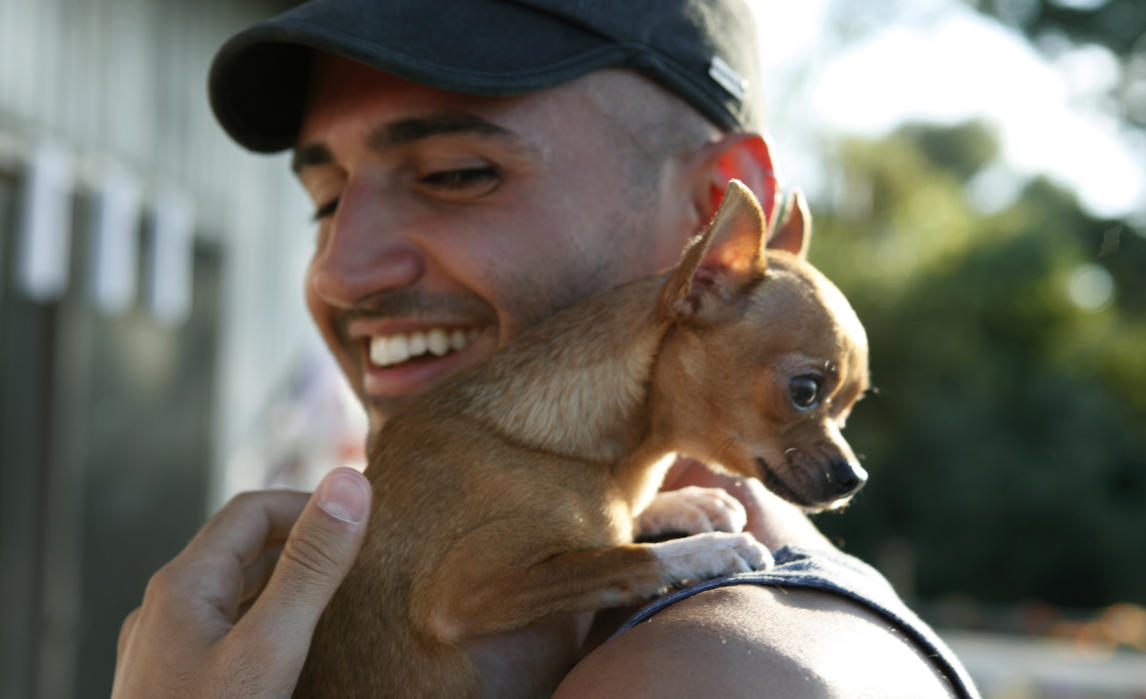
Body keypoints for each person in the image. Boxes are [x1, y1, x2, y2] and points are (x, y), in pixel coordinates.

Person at [113, 1, 979, 696]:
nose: (340, 270)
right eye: (325, 200)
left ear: (715, 214)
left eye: (457, 174)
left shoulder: (715, 671)